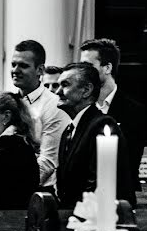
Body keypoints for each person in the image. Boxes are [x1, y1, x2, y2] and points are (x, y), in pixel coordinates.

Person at [55, 62, 135, 208]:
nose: (57, 92)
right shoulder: (69, 130)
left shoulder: (103, 126)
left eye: (65, 85)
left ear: (86, 90)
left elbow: (100, 184)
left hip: (98, 219)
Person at [80, 38, 147, 188]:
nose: (82, 72)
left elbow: (130, 161)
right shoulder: (80, 106)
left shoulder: (135, 111)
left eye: (87, 66)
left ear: (107, 68)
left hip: (122, 194)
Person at [10, 40, 71, 191]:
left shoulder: (54, 105)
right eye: (13, 64)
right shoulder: (8, 101)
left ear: (40, 70)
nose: (15, 70)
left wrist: (15, 188)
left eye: (23, 65)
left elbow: (48, 161)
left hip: (38, 189)